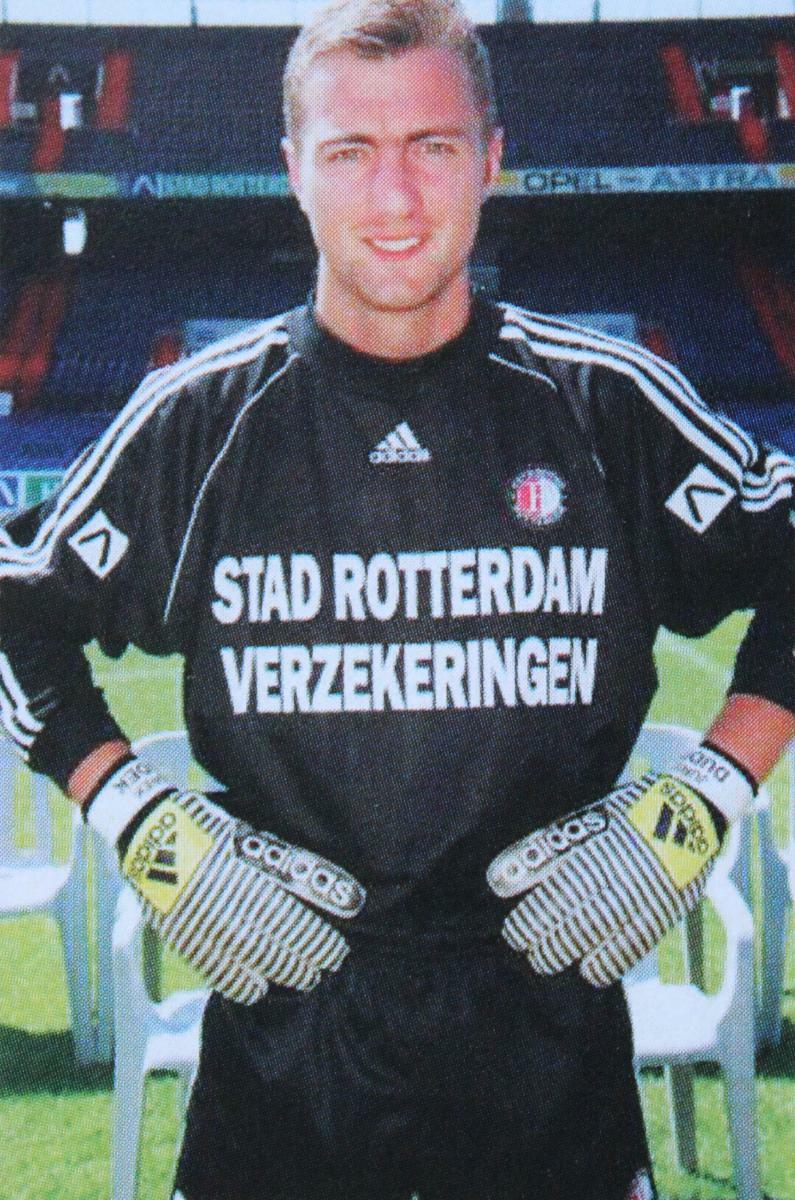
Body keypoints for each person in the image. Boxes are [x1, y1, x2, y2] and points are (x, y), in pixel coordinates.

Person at [1, 1, 794, 1197]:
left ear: (493, 158)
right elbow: (16, 610)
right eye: (348, 152)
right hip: (281, 1073)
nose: (395, 197)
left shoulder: (606, 406)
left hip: (553, 1079)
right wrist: (138, 820)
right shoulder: (198, 423)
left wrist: (705, 795)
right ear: (292, 171)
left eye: (432, 146)